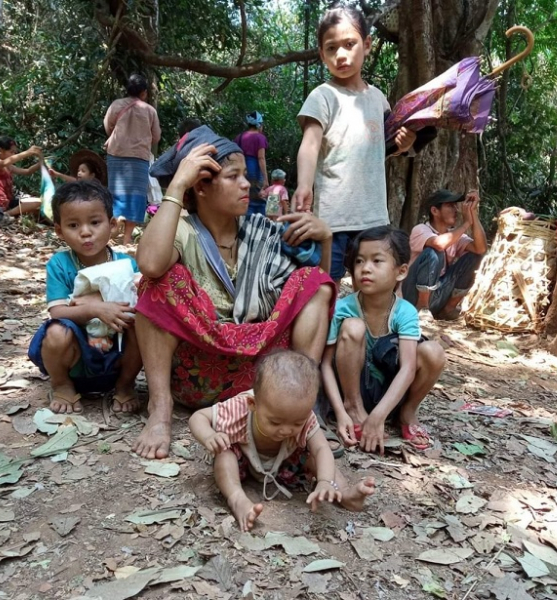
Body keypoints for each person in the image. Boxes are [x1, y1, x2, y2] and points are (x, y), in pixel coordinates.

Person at [133, 125, 335, 460]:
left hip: (262, 382)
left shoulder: (263, 230)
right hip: (197, 374)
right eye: (234, 176)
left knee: (312, 281)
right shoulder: (182, 231)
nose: (247, 184)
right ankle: (161, 409)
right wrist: (178, 184)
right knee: (157, 285)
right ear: (201, 187)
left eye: (246, 175)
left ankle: (301, 407)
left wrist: (325, 240)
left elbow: (320, 288)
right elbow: (151, 264)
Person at [292, 6, 418, 282]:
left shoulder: (378, 99)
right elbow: (310, 144)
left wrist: (405, 142)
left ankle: (368, 327)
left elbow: (386, 146)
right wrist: (304, 185)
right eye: (331, 48)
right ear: (322, 55)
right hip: (332, 221)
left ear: (367, 44)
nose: (341, 54)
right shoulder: (322, 96)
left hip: (373, 218)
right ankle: (325, 327)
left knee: (376, 287)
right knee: (324, 287)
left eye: (350, 44)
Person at [189, 350, 376, 532]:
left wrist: (325, 480)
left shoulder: (304, 416)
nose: (286, 430)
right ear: (253, 404)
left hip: (287, 466)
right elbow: (198, 417)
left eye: (297, 422)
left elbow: (321, 448)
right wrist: (209, 436)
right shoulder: (239, 408)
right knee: (224, 453)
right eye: (275, 421)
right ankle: (237, 499)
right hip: (243, 462)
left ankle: (344, 492)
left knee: (315, 459)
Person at [321, 226, 445, 455]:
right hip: (353, 387)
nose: (365, 268)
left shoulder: (405, 311)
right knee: (353, 327)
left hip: (389, 388)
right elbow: (326, 364)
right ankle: (354, 410)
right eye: (359, 261)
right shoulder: (342, 308)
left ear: (401, 271)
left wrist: (379, 416)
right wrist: (339, 411)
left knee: (433, 351)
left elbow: (408, 368)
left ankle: (405, 413)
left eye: (377, 261)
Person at [28, 181, 142, 414]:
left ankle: (125, 386)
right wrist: (96, 309)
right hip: (76, 362)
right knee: (56, 331)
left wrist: (98, 304)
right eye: (73, 225)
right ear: (59, 231)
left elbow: (140, 306)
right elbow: (58, 312)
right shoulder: (60, 264)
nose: (85, 232)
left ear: (112, 225)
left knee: (142, 325)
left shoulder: (126, 264)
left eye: (95, 222)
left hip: (115, 359)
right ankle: (62, 385)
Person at [401, 189, 487, 321]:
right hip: (412, 296)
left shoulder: (454, 236)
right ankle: (422, 307)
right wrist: (466, 224)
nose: (456, 210)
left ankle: (448, 309)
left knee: (475, 257)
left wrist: (473, 214)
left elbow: (480, 249)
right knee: (434, 251)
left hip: (438, 294)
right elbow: (439, 244)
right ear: (435, 211)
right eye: (450, 206)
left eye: (455, 206)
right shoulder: (421, 229)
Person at [104, 73, 161, 245]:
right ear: (144, 92)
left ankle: (111, 231)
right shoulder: (150, 111)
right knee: (136, 196)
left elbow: (108, 126)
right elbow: (156, 136)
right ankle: (127, 239)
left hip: (116, 154)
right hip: (139, 158)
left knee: (115, 193)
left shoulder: (116, 105)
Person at [0, 136, 43, 216]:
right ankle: (5, 215)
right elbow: (6, 162)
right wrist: (28, 152)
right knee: (36, 204)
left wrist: (41, 163)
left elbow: (28, 171)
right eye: (11, 152)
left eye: (14, 152)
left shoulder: (9, 167)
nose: (13, 154)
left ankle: (5, 214)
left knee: (37, 205)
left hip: (7, 201)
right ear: (0, 151)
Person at [234, 111, 269, 216]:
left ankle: (246, 224)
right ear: (259, 125)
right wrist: (265, 179)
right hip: (255, 170)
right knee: (259, 200)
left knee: (246, 199)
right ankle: (261, 226)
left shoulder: (239, 137)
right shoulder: (260, 138)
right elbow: (261, 158)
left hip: (242, 170)